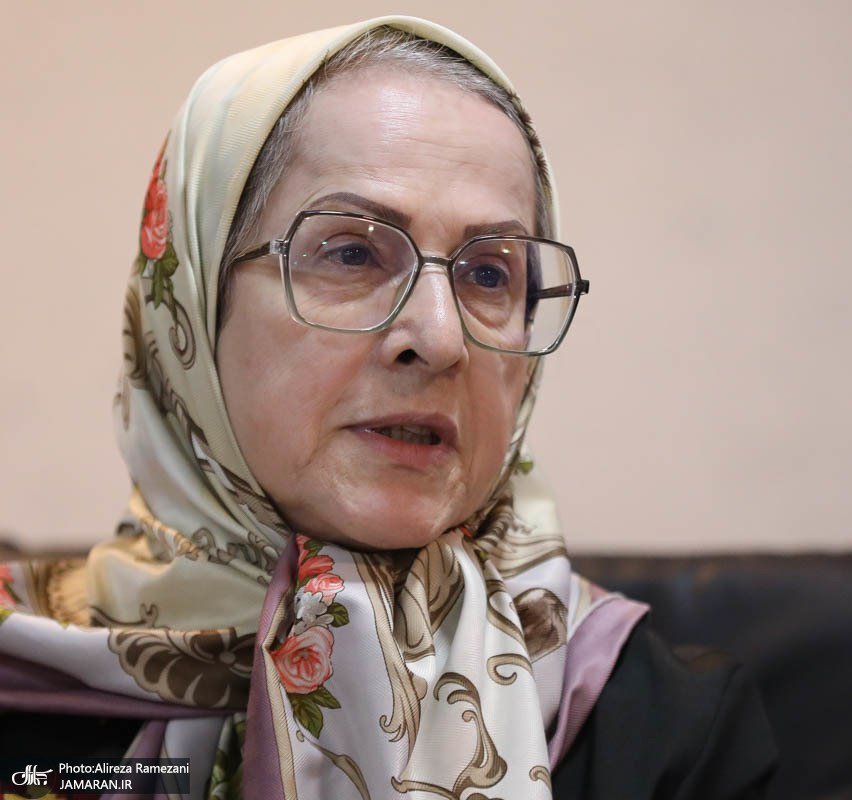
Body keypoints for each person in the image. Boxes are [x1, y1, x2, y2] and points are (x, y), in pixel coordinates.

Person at [0, 15, 777, 799]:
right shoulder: (23, 693)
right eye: (353, 253)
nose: (440, 339)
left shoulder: (672, 733)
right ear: (193, 310)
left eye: (489, 275)